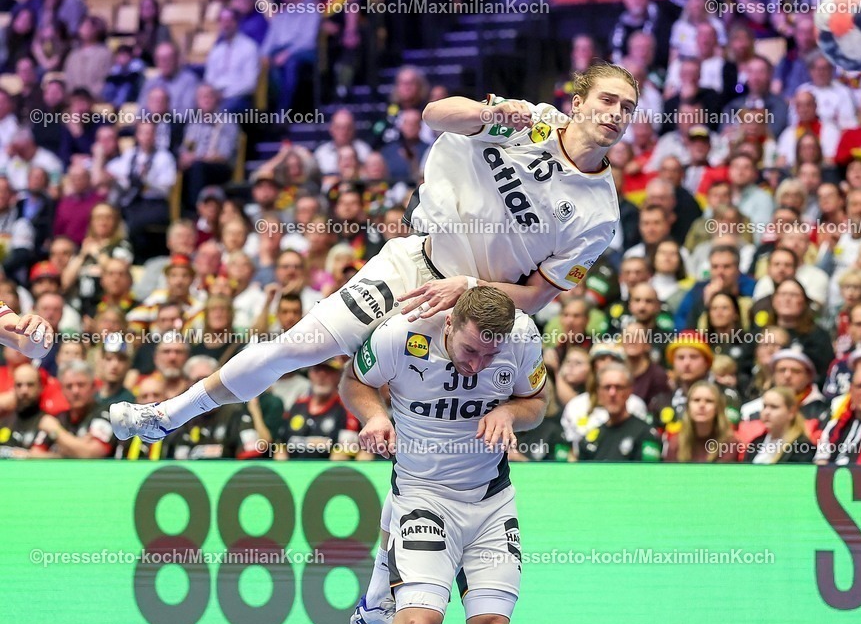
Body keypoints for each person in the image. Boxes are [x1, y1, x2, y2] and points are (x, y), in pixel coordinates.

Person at [111, 63, 638, 443]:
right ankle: (169, 415)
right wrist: (487, 111)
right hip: (413, 263)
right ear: (579, 102)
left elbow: (537, 296)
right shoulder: (530, 122)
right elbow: (434, 114)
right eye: (608, 100)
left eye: (628, 109)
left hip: (470, 311)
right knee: (295, 347)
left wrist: (471, 290)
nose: (615, 114)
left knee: (433, 435)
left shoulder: (599, 215)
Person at [341, 287, 547, 624]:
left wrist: (509, 411)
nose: (477, 366)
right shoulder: (403, 331)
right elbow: (355, 381)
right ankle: (381, 585)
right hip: (423, 496)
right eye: (470, 351)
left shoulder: (523, 335)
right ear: (450, 322)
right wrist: (374, 416)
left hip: (490, 501)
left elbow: (537, 402)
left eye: (490, 355)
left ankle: (379, 580)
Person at [743, 387, 817, 464]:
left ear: (791, 412)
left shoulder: (802, 447)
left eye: (774, 407)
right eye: (765, 406)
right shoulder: (756, 443)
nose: (766, 412)